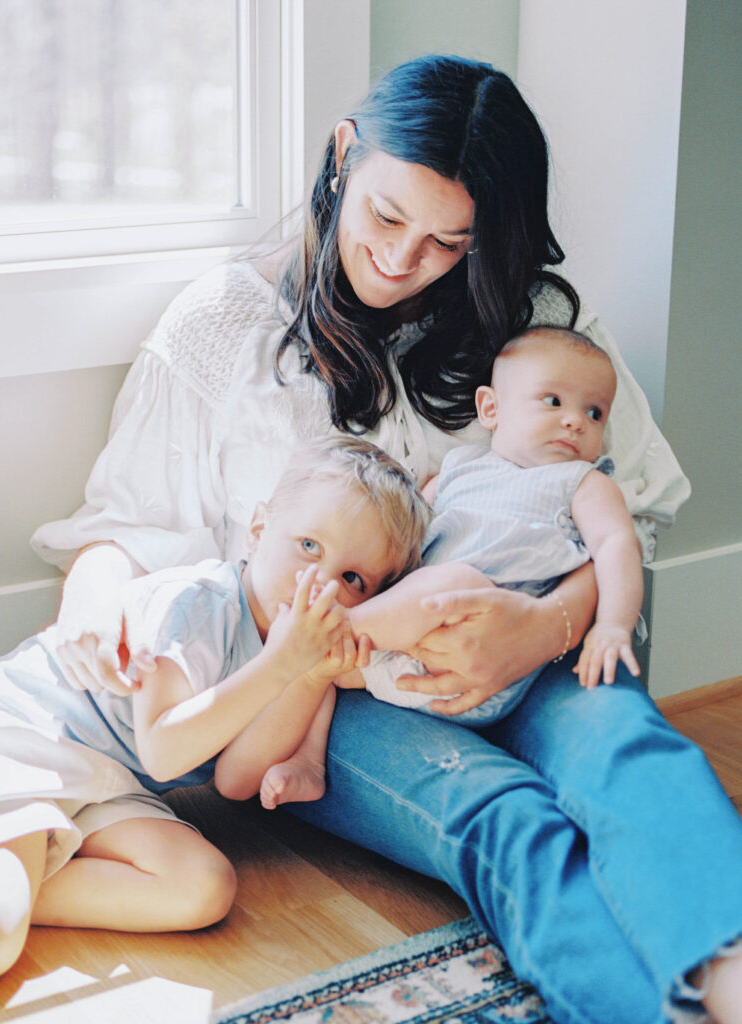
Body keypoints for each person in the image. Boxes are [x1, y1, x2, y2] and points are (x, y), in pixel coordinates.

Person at [26, 55, 742, 1023]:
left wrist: (541, 626)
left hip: (537, 645)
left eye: (451, 241)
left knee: (632, 754)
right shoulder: (222, 328)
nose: (406, 260)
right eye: (386, 217)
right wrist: (92, 608)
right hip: (345, 688)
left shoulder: (534, 324)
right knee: (503, 819)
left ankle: (731, 975)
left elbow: (627, 510)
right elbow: (123, 529)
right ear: (342, 158)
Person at [0, 438, 429, 980]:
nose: (322, 585)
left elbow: (236, 782)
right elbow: (164, 751)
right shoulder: (195, 605)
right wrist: (282, 665)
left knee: (203, 888)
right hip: (29, 739)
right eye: (309, 546)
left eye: (353, 580)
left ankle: (24, 882)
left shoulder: (307, 663)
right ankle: (10, 892)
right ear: (259, 528)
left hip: (110, 783)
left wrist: (307, 675)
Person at [260, 325, 644, 811]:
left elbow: (617, 546)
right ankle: (308, 762)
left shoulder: (582, 483)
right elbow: (404, 539)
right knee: (326, 672)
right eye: (553, 401)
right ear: (491, 409)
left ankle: (313, 636)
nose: (575, 422)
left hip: (483, 662)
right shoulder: (458, 469)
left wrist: (613, 625)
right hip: (401, 650)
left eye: (594, 413)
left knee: (445, 586)